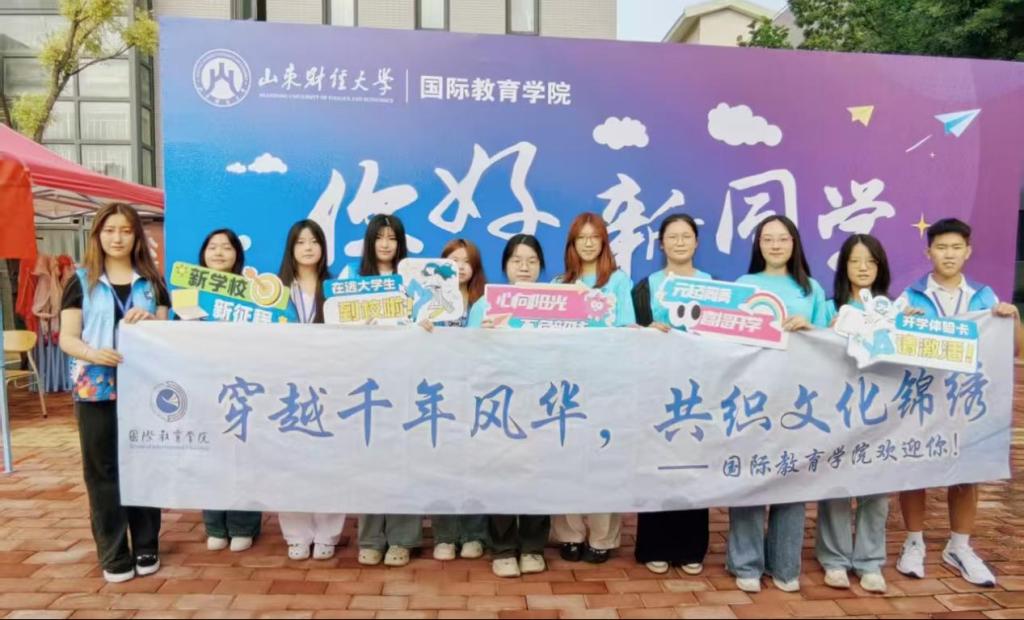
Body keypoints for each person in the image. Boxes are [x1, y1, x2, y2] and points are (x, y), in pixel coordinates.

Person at [895, 218, 1022, 587]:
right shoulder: (911, 296)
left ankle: (959, 546)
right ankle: (913, 542)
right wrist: (901, 324)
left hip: (969, 401)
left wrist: (1012, 318)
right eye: (941, 247)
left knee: (967, 472)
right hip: (921, 400)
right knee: (914, 468)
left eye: (955, 248)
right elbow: (890, 345)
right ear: (928, 252)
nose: (948, 254)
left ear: (968, 251)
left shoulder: (985, 297)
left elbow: (1015, 348)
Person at [59, 202, 169, 583]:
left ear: (137, 236)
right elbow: (67, 337)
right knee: (101, 471)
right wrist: (93, 354)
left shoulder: (152, 282)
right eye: (109, 230)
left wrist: (151, 320)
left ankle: (147, 544)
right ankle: (113, 552)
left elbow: (168, 335)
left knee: (145, 463)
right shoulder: (80, 281)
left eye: (125, 230)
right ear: (98, 235)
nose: (117, 238)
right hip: (95, 389)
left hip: (145, 389)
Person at [726, 215, 829, 593]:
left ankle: (785, 565)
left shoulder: (812, 289)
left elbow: (829, 341)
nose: (775, 245)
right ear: (758, 245)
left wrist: (811, 328)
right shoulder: (743, 285)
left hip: (798, 397)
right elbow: (725, 338)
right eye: (767, 239)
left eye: (782, 238)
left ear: (794, 243)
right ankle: (746, 563)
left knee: (792, 476)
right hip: (752, 395)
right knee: (750, 476)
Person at [551, 213, 634, 565]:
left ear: (604, 242)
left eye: (594, 237)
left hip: (606, 384)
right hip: (565, 387)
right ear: (572, 244)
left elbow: (627, 329)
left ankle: (603, 537)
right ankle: (568, 534)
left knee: (603, 460)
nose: (588, 243)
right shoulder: (558, 284)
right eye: (581, 237)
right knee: (565, 459)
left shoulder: (618, 281)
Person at [631, 214, 711, 575]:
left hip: (699, 390)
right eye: (672, 237)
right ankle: (655, 546)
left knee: (693, 466)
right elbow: (633, 335)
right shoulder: (646, 286)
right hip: (656, 389)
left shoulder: (713, 287)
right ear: (661, 244)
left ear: (696, 242)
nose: (679, 242)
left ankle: (691, 548)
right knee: (657, 465)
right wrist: (648, 330)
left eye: (686, 236)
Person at [468, 234, 551, 578]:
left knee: (537, 472)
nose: (524, 267)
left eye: (532, 261)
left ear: (541, 266)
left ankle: (532, 546)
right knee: (500, 471)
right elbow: (467, 356)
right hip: (498, 401)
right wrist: (483, 334)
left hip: (541, 400)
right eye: (517, 260)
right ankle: (502, 547)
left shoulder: (557, 303)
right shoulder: (484, 305)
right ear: (505, 266)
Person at [816, 234, 892, 593]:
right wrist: (824, 332)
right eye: (855, 260)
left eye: (871, 261)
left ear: (880, 267)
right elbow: (810, 352)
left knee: (877, 486)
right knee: (836, 482)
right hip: (838, 409)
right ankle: (834, 559)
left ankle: (870, 561)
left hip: (881, 411)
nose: (863, 268)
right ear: (843, 265)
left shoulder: (892, 309)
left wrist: (910, 325)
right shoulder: (828, 308)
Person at [353, 214, 425, 567]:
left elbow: (429, 320)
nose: (385, 244)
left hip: (405, 379)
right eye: (379, 237)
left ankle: (402, 538)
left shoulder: (415, 282)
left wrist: (425, 324)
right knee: (369, 459)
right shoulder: (352, 279)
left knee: (403, 459)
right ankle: (370, 537)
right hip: (365, 381)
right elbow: (337, 329)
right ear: (370, 241)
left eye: (392, 238)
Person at [276, 220, 347, 561]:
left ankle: (328, 533)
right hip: (285, 387)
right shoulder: (274, 290)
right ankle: (296, 534)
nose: (307, 247)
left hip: (329, 385)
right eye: (300, 241)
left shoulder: (336, 289)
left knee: (331, 460)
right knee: (288, 462)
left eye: (314, 241)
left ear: (323, 247)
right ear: (291, 248)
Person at [190, 228, 264, 553]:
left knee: (243, 456)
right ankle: (215, 525)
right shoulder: (189, 292)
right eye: (213, 247)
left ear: (237, 255)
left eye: (226, 247)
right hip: (204, 386)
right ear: (203, 254)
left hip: (242, 386)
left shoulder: (252, 293)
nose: (219, 253)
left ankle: (244, 525)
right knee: (209, 456)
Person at [426, 239, 489, 561]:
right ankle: (445, 536)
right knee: (443, 464)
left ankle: (474, 534)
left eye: (466, 261)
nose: (460, 267)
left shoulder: (486, 302)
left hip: (476, 394)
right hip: (439, 393)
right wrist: (420, 328)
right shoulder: (427, 301)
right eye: (453, 260)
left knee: (475, 465)